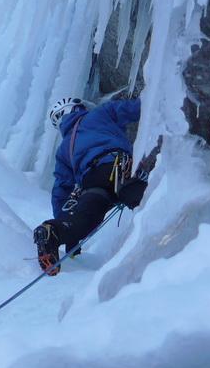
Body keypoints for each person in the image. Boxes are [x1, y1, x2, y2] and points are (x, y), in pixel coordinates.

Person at [33, 96, 148, 275]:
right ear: (77, 108)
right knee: (146, 198)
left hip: (93, 182)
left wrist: (72, 237)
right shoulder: (100, 114)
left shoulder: (64, 149)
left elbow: (61, 191)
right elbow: (136, 108)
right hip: (117, 166)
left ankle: (53, 232)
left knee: (85, 221)